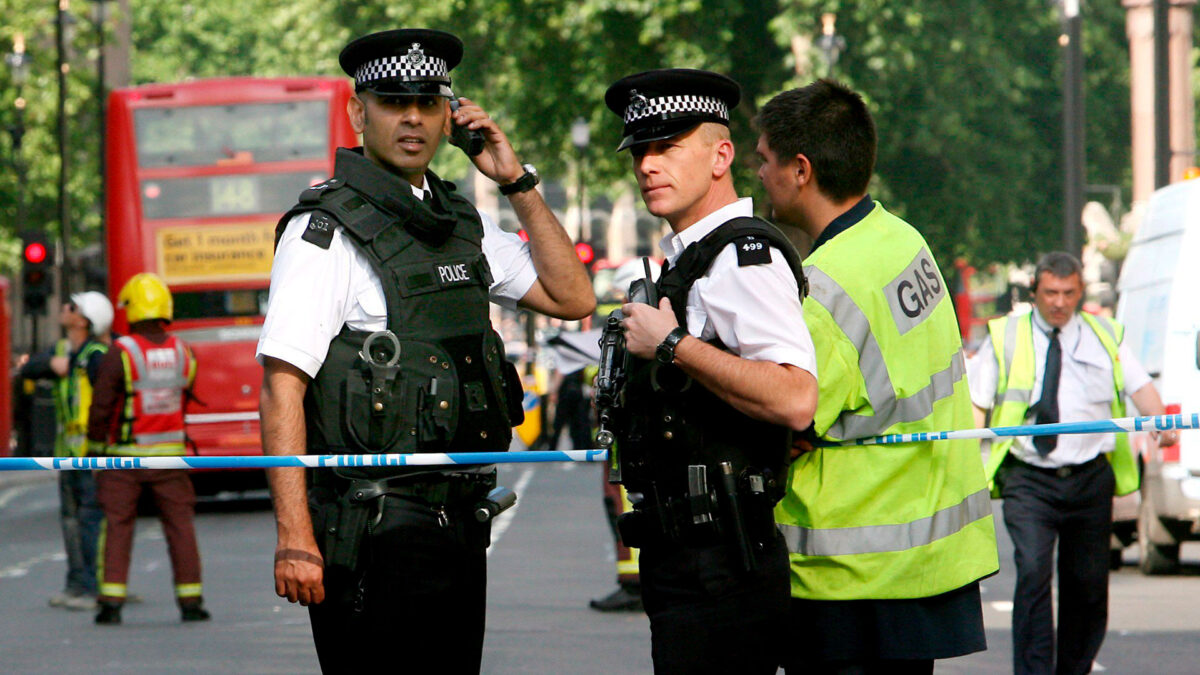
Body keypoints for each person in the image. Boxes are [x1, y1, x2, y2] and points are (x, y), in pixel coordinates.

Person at [256, 28, 593, 673]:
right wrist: (294, 535)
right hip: (372, 524)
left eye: (428, 102)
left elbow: (572, 295)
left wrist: (516, 179)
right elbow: (282, 386)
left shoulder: (457, 221)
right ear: (359, 112)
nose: (412, 117)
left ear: (450, 116)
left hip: (458, 521)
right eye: (391, 101)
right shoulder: (324, 233)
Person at [756, 79, 999, 673]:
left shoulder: (825, 288)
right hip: (922, 562)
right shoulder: (901, 239)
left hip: (850, 574)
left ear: (801, 170)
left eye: (763, 160)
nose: (758, 174)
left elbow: (790, 415)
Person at [602, 68, 819, 673]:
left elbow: (797, 398)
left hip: (724, 564)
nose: (647, 165)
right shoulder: (695, 258)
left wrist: (671, 342)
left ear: (721, 154)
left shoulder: (741, 259)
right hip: (690, 556)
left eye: (667, 147)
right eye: (640, 151)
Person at [968, 251, 1172, 675]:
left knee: (1088, 585)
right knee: (1033, 572)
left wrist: (1162, 424)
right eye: (1050, 293)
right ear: (1035, 293)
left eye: (1068, 293)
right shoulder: (1006, 336)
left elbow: (1141, 388)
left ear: (1080, 293)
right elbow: (977, 405)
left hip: (1089, 479)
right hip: (1029, 479)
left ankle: (1074, 669)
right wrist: (967, 457)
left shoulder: (1105, 335)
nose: (1059, 302)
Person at [87, 273, 209, 625]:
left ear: (133, 309)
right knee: (181, 528)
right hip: (171, 457)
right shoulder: (183, 352)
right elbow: (183, 398)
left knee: (118, 526)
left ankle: (111, 603)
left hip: (123, 459)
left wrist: (96, 449)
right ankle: (192, 602)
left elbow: (102, 407)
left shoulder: (121, 352)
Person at [19, 292, 113, 611]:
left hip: (92, 453)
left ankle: (94, 586)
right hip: (67, 454)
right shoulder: (60, 350)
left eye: (71, 307)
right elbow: (29, 368)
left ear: (84, 319)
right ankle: (77, 584)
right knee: (71, 521)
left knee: (90, 521)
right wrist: (52, 364)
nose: (63, 309)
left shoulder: (99, 354)